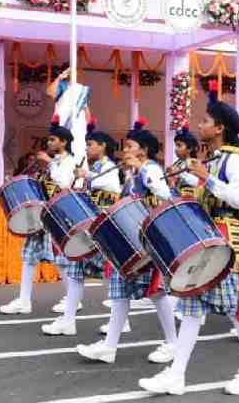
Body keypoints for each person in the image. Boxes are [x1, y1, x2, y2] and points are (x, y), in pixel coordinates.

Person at [138, 81, 239, 396]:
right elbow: (201, 193)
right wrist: (181, 182)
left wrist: (206, 180)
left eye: (205, 121)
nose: (199, 126)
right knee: (192, 307)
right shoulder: (215, 159)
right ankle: (177, 374)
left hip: (230, 240)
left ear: (219, 128)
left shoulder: (235, 160)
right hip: (206, 239)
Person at [77, 118, 178, 364]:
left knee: (157, 293)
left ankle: (173, 343)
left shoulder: (151, 169)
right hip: (133, 239)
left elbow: (165, 195)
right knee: (121, 292)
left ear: (143, 150)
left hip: (148, 239)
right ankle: (110, 347)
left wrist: (142, 170)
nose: (126, 151)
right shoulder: (131, 173)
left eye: (131, 146)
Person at [42, 117, 121, 336]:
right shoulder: (96, 167)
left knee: (114, 274)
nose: (87, 148)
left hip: (107, 225)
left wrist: (87, 176)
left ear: (103, 146)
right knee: (76, 270)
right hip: (93, 224)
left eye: (90, 144)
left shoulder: (110, 167)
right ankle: (68, 320)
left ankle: (121, 321)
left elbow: (108, 183)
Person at [0, 115, 76, 315]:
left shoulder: (68, 162)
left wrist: (49, 163)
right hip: (42, 213)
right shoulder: (54, 161)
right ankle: (24, 300)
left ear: (64, 142)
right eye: (49, 140)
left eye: (53, 140)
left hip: (57, 215)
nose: (49, 143)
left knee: (60, 259)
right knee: (29, 257)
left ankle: (73, 298)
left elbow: (63, 182)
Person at [47, 67, 91, 162]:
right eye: (74, 71)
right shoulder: (63, 85)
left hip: (78, 126)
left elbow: (85, 108)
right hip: (64, 124)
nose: (77, 73)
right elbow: (50, 93)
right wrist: (59, 78)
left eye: (78, 71)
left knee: (78, 150)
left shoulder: (81, 89)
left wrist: (88, 126)